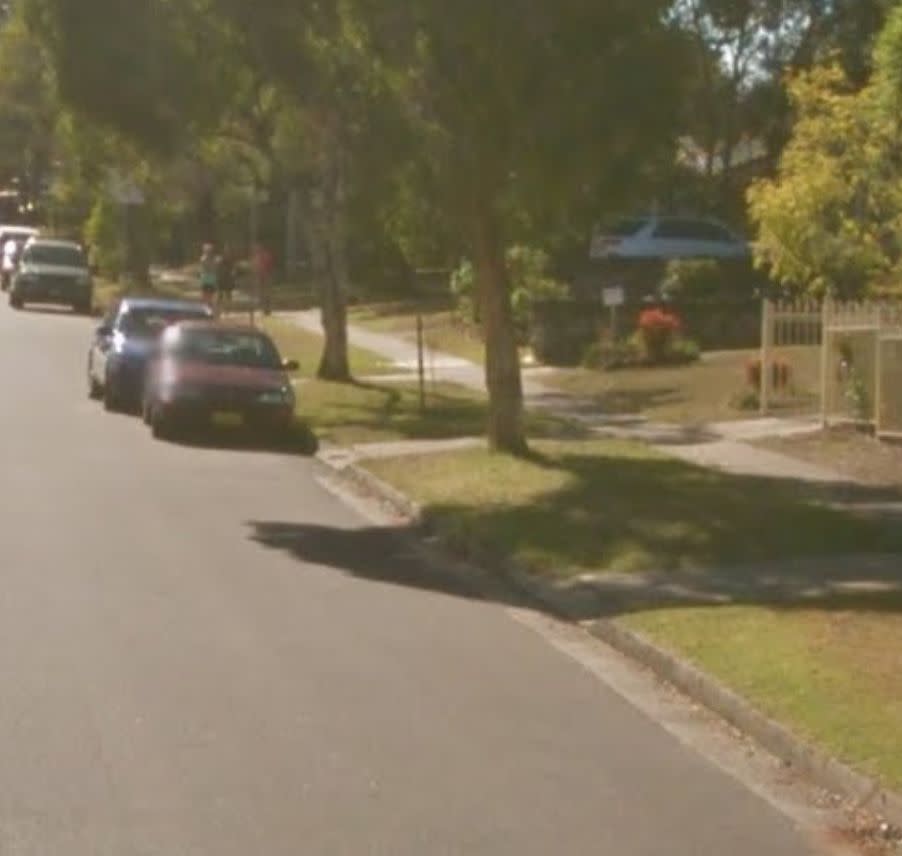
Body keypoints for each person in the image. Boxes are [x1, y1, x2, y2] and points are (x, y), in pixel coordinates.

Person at [253, 243, 274, 316]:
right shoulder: (257, 257)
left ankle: (267, 309)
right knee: (262, 294)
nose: (256, 250)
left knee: (266, 294)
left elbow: (270, 265)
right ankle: (264, 309)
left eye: (257, 249)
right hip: (261, 277)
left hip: (265, 276)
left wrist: (267, 273)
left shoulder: (265, 256)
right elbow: (256, 267)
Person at [216, 244, 235, 314]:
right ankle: (218, 309)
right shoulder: (220, 260)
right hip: (221, 279)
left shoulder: (231, 260)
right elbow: (218, 269)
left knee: (228, 295)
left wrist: (232, 276)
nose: (227, 252)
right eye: (226, 251)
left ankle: (227, 309)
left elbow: (233, 270)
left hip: (228, 279)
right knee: (220, 295)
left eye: (228, 251)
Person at [199, 243, 217, 308]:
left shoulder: (213, 259)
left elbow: (213, 268)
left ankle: (209, 305)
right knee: (205, 293)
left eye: (209, 250)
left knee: (210, 293)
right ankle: (206, 306)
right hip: (206, 277)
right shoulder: (203, 259)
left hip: (210, 278)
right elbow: (206, 268)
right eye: (207, 250)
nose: (209, 252)